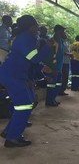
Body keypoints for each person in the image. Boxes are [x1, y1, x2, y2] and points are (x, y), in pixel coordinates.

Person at [0, 15, 50, 147]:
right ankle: (12, 138)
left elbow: (28, 61)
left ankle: (9, 132)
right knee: (24, 104)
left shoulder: (27, 37)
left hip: (16, 74)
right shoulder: (25, 38)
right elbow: (33, 58)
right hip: (12, 75)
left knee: (27, 101)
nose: (38, 28)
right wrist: (47, 47)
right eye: (36, 25)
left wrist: (29, 78)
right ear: (30, 26)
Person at [43, 25, 67, 106]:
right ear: (59, 31)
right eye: (63, 31)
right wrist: (53, 68)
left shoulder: (60, 40)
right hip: (53, 68)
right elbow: (51, 56)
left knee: (57, 85)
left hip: (59, 67)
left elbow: (59, 52)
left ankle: (53, 99)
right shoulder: (52, 41)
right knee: (52, 85)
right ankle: (49, 101)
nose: (64, 33)